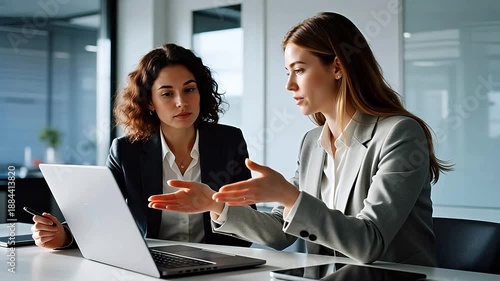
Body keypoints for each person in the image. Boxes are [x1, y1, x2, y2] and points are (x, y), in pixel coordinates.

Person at [149, 13, 452, 266]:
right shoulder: (312, 143)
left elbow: (369, 243)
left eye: (299, 70)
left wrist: (289, 196)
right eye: (287, 72)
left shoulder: (399, 134)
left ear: (337, 67)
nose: (290, 84)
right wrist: (214, 205)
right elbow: (282, 233)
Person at [30, 43, 255, 249]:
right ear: (149, 102)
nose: (181, 102)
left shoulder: (229, 141)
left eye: (189, 89)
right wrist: (64, 235)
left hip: (220, 261)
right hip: (152, 260)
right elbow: (99, 210)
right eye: (167, 93)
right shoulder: (126, 151)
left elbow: (248, 218)